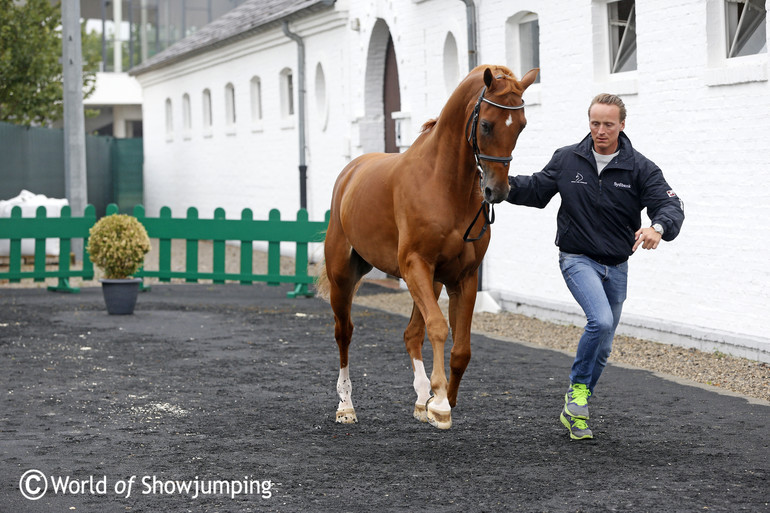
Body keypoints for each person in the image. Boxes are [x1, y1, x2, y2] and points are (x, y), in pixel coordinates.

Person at [505, 93, 685, 440]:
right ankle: (578, 398)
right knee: (600, 321)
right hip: (577, 258)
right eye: (595, 123)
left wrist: (657, 227)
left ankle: (576, 406)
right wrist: (499, 183)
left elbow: (669, 205)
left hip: (617, 266)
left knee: (603, 347)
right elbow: (537, 189)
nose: (601, 131)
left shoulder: (639, 167)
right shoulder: (568, 158)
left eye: (608, 124)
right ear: (589, 123)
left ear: (621, 125)